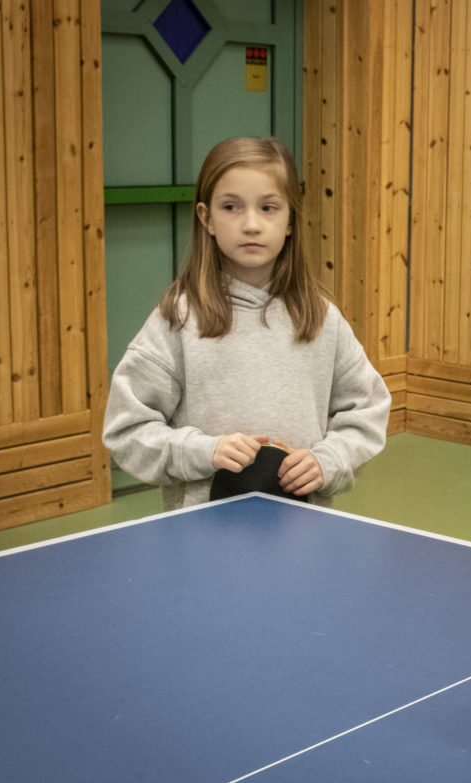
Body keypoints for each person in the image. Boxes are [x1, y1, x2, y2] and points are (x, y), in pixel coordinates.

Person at [103, 137, 390, 510]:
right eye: (231, 207)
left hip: (302, 534)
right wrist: (202, 451)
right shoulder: (177, 319)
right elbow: (127, 430)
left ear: (290, 220)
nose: (252, 224)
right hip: (202, 539)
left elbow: (368, 409)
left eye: (269, 207)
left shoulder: (321, 319)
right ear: (206, 218)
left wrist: (328, 461)